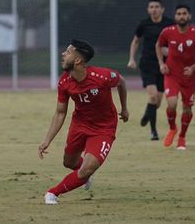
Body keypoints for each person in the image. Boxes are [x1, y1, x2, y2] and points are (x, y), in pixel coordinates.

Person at [39, 40, 129, 205]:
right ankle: (84, 175)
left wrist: (124, 108)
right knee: (69, 163)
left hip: (104, 128)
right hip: (80, 125)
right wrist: (47, 140)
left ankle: (53, 193)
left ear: (78, 61)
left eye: (68, 52)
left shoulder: (102, 76)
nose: (63, 54)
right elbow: (60, 112)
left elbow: (122, 82)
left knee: (86, 169)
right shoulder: (64, 82)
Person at [155, 4, 195, 150]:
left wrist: (193, 68)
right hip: (172, 75)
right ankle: (173, 128)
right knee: (171, 104)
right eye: (178, 14)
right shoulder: (167, 32)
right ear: (175, 16)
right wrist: (161, 63)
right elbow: (158, 46)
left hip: (189, 77)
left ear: (189, 16)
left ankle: (182, 137)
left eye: (184, 13)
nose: (181, 16)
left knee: (187, 109)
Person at [127, 0, 174, 140]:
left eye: (156, 6)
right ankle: (153, 132)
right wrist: (131, 59)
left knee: (157, 102)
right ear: (148, 10)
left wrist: (170, 51)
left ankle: (148, 113)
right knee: (153, 96)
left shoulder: (169, 24)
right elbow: (135, 41)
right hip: (147, 64)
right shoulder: (144, 24)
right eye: (151, 7)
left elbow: (176, 42)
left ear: (162, 9)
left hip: (164, 66)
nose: (154, 9)